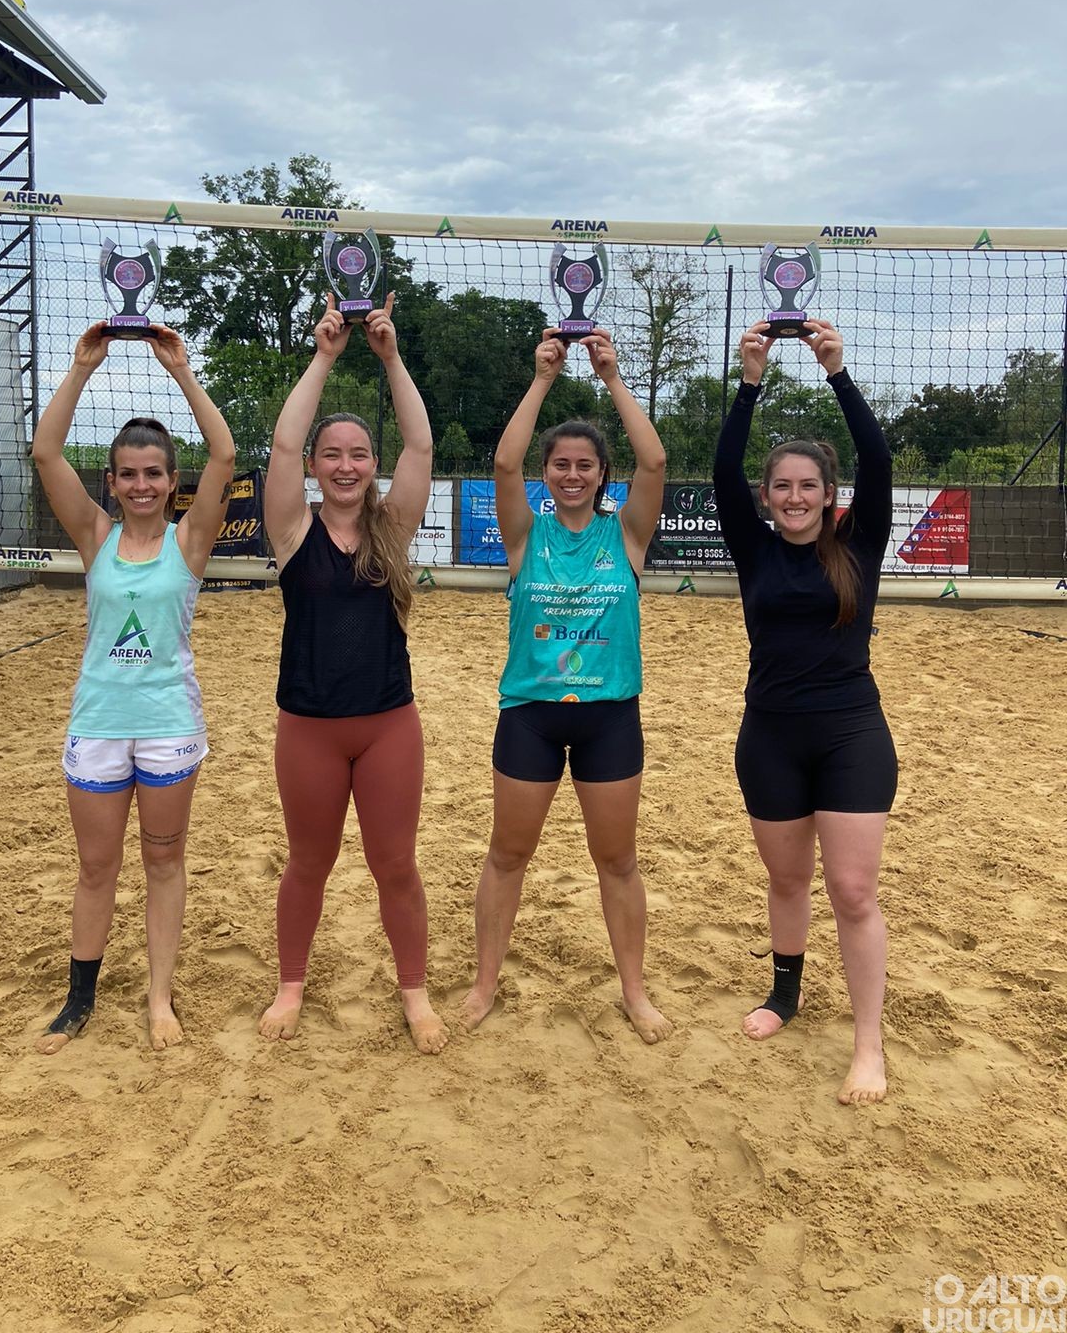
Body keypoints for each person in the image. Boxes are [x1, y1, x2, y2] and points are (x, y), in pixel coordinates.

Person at [31, 322, 235, 1053]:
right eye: (129, 473)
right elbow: (46, 452)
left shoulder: (191, 541)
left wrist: (180, 371)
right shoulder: (94, 535)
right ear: (112, 482)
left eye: (154, 473)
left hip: (168, 724)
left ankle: (158, 999)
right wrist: (84, 366)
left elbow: (223, 453)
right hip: (99, 722)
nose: (142, 484)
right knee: (95, 867)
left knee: (162, 862)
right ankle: (77, 1000)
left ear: (168, 483)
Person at [462, 328, 669, 1044]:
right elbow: (504, 459)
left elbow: (656, 459)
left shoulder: (627, 537)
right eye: (561, 465)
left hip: (610, 716)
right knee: (507, 855)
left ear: (602, 476)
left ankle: (634, 992)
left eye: (585, 465)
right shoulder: (525, 535)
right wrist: (544, 377)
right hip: (531, 715)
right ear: (547, 474)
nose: (572, 474)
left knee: (617, 860)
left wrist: (611, 377)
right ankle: (486, 982)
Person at [258, 292, 448, 1055]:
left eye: (357, 455)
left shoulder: (391, 529)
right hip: (307, 726)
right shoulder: (291, 527)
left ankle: (415, 993)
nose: (344, 464)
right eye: (331, 454)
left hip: (386, 726)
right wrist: (326, 355)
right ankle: (290, 985)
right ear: (315, 466)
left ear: (371, 467)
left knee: (395, 866)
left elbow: (422, 448)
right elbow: (278, 445)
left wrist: (391, 357)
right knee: (309, 863)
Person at [713, 318, 895, 1105]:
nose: (793, 497)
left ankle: (868, 1044)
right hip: (770, 736)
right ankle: (785, 994)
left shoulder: (858, 546)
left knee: (852, 892)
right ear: (767, 497)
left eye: (807, 486)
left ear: (829, 496)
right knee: (787, 881)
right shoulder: (754, 548)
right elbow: (723, 467)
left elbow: (879, 460)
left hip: (852, 732)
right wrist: (749, 382)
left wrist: (837, 374)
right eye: (780, 487)